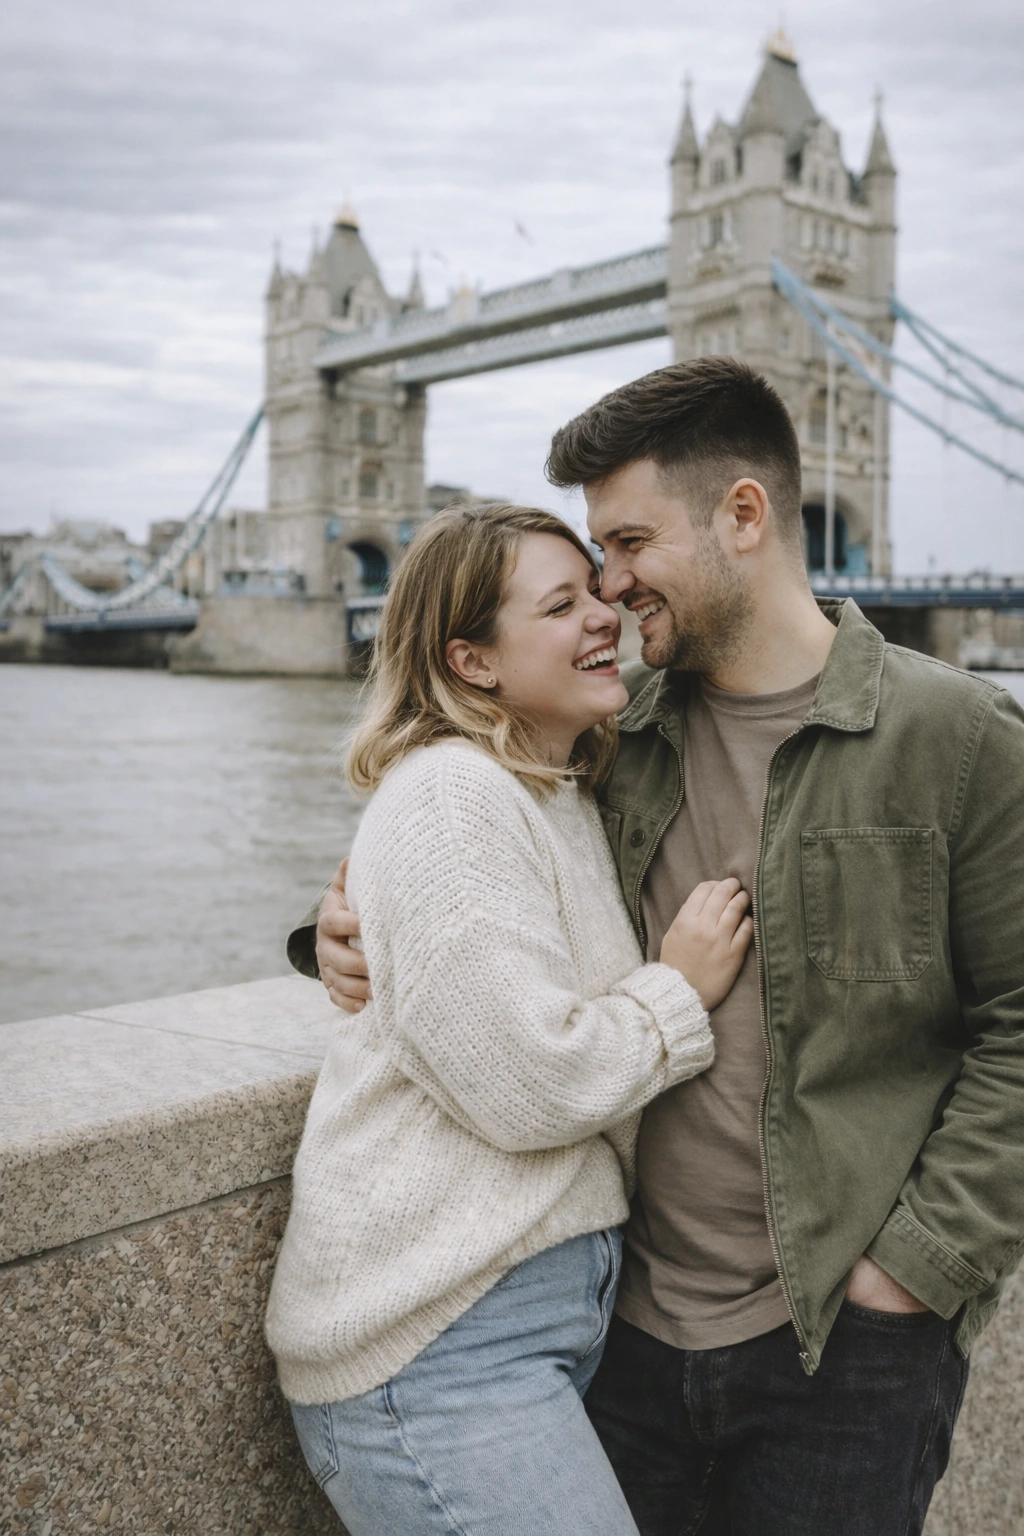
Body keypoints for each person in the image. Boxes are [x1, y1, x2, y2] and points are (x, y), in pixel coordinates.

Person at [300, 358, 1024, 1536]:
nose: (611, 589)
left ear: (743, 516)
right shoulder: (609, 734)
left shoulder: (955, 735)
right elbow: (458, 851)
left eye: (628, 545)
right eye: (591, 566)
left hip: (840, 1345)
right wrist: (333, 931)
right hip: (619, 1335)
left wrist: (916, 1272)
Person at [267, 502, 755, 1535]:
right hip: (435, 1342)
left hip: (528, 1319)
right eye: (562, 604)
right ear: (473, 661)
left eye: (599, 588)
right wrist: (677, 990)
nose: (606, 614)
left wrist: (334, 930)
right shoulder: (452, 795)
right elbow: (529, 1083)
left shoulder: (555, 786)